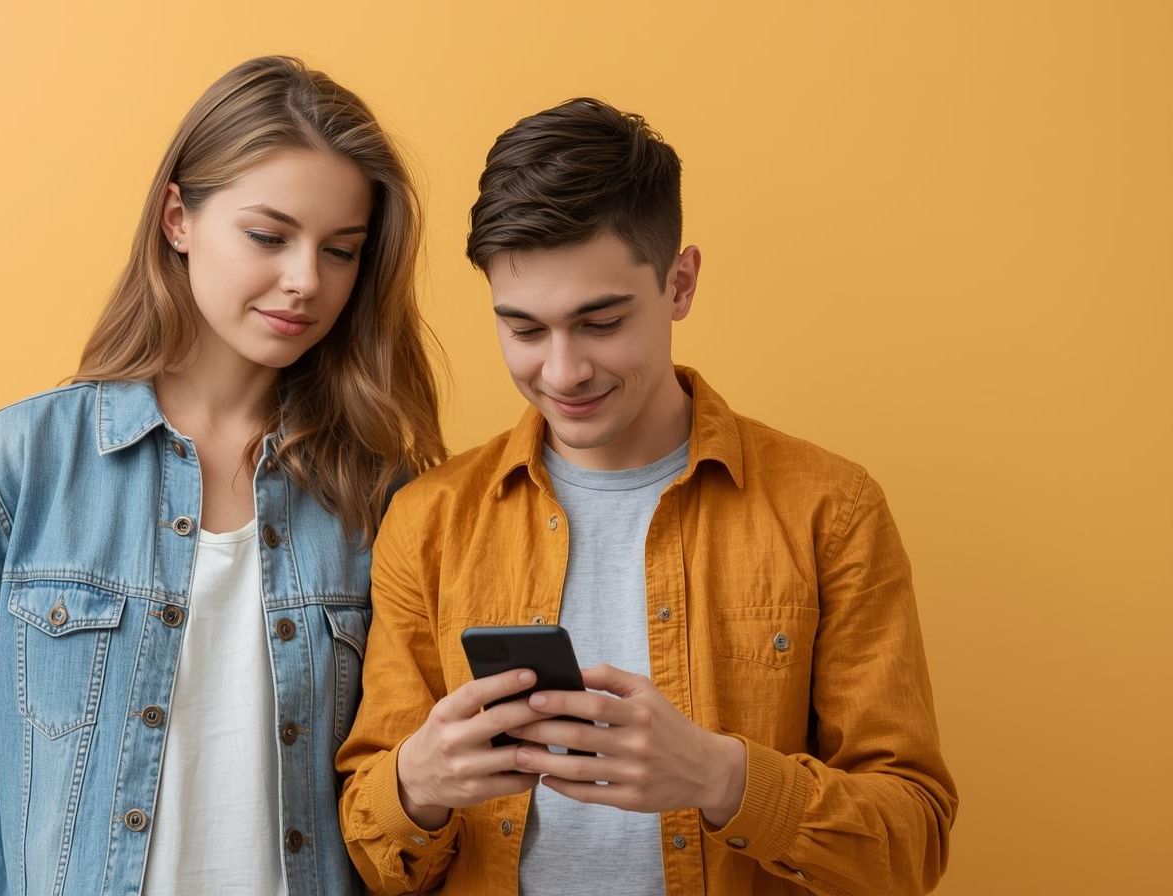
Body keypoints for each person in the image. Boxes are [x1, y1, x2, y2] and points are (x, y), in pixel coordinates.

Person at [337, 98, 957, 895]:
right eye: (524, 330)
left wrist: (723, 778)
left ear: (680, 283)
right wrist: (415, 785)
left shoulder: (830, 510)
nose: (562, 373)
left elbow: (910, 845)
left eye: (601, 322)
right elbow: (371, 850)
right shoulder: (428, 520)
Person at [0, 55, 444, 896]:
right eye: (268, 236)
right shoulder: (15, 467)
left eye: (341, 251)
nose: (305, 280)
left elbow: (395, 816)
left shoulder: (383, 495)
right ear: (178, 218)